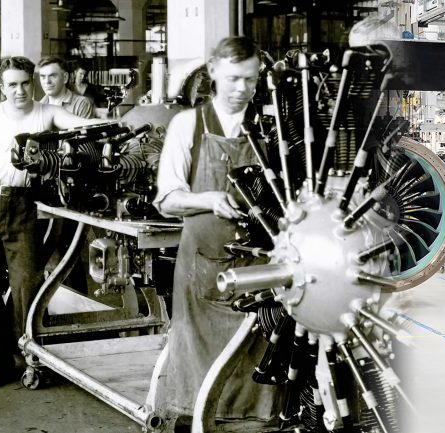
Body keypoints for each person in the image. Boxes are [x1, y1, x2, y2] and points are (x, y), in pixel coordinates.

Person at [0, 56, 103, 388]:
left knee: (27, 282)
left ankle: (29, 355)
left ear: (31, 82)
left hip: (22, 204)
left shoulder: (46, 113)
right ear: (2, 87)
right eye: (12, 85)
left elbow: (80, 125)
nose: (19, 91)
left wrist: (118, 123)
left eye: (24, 83)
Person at [154, 36, 278, 428]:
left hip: (259, 267)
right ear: (213, 72)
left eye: (251, 80)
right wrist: (208, 199)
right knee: (198, 375)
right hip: (204, 266)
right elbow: (167, 200)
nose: (242, 88)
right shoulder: (188, 125)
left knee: (256, 369)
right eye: (233, 79)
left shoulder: (268, 127)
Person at [37, 56, 94, 293]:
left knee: (65, 246)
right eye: (42, 77)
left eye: (52, 76)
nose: (47, 81)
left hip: (71, 186)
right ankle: (47, 300)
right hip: (43, 185)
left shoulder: (80, 104)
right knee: (44, 246)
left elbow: (79, 145)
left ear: (66, 77)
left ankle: (76, 300)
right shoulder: (38, 105)